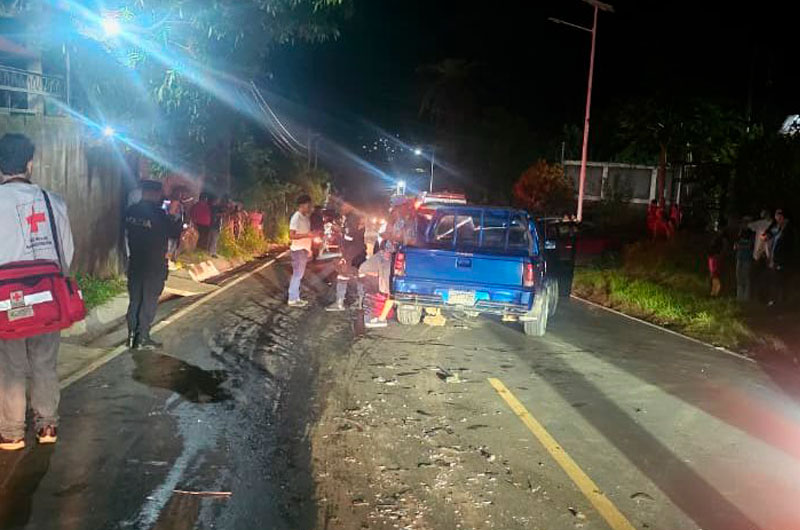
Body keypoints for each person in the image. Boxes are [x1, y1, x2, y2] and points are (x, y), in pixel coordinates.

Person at [0, 133, 74, 450]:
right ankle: (47, 427)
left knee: (11, 367)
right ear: (30, 164)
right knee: (45, 363)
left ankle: (12, 433)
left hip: (7, 301)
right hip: (47, 298)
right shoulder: (53, 201)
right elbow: (66, 253)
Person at [125, 180, 184, 349]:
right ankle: (142, 337)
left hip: (135, 262)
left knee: (135, 299)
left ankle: (131, 337)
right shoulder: (159, 215)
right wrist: (173, 214)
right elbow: (174, 232)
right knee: (149, 301)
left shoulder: (131, 211)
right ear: (154, 194)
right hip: (153, 265)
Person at [327, 202, 366, 312]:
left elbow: (350, 237)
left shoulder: (352, 218)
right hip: (359, 252)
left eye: (343, 206)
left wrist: (339, 230)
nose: (341, 208)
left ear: (349, 205)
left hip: (352, 253)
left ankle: (339, 303)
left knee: (342, 276)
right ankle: (361, 301)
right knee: (359, 276)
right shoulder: (357, 217)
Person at [288, 194, 315, 307]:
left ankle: (296, 297)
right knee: (297, 274)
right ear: (302, 205)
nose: (309, 207)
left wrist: (309, 250)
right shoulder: (296, 217)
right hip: (298, 250)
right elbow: (291, 235)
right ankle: (292, 299)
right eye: (308, 205)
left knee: (299, 274)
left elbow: (307, 235)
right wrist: (307, 235)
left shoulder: (305, 218)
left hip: (303, 250)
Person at [763, 208, 793, 307]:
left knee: (781, 280)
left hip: (783, 260)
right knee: (774, 279)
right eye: (776, 216)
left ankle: (782, 301)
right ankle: (776, 300)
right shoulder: (777, 228)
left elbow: (789, 246)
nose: (778, 218)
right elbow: (767, 235)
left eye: (780, 216)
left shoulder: (788, 229)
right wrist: (766, 236)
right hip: (774, 259)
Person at [748, 209, 773, 302]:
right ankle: (761, 297)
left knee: (764, 278)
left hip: (765, 256)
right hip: (759, 255)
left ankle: (764, 297)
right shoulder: (761, 224)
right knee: (760, 278)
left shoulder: (768, 225)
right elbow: (750, 226)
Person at [733, 222, 755, 302]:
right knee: (738, 277)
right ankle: (739, 297)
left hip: (747, 258)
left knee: (746, 277)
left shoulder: (751, 234)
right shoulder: (740, 234)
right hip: (739, 258)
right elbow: (735, 246)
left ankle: (746, 298)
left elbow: (749, 246)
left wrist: (740, 246)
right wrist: (739, 246)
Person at [707, 229, 726, 297]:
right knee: (713, 275)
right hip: (712, 257)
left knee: (714, 275)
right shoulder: (714, 238)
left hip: (715, 258)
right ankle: (713, 292)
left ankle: (714, 293)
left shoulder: (721, 240)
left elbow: (722, 250)